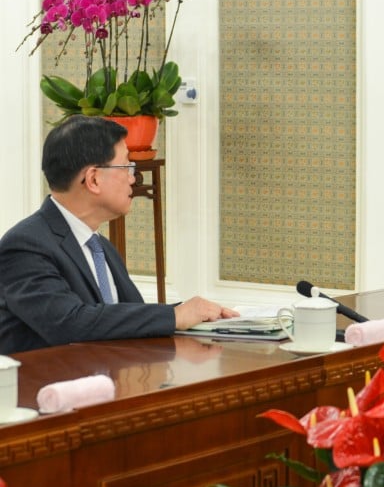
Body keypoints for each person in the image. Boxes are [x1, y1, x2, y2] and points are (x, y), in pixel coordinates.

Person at [0, 116, 238, 354]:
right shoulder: (25, 246)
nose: (133, 178)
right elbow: (68, 323)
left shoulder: (100, 247)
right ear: (93, 179)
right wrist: (174, 315)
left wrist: (196, 316)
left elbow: (126, 318)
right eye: (126, 167)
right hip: (47, 378)